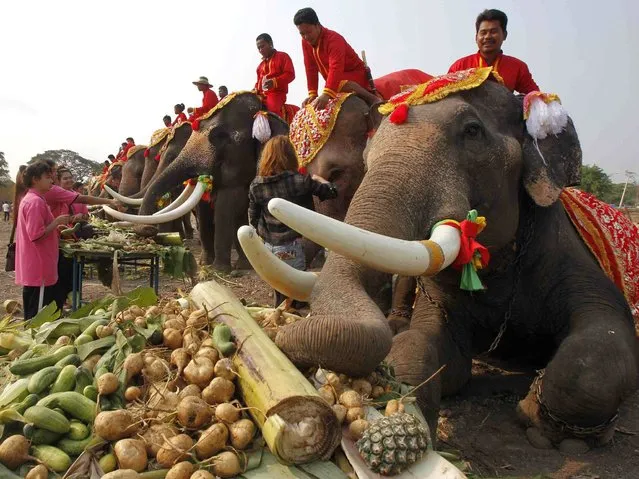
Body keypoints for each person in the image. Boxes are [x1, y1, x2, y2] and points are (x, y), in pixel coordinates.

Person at [248, 135, 338, 306]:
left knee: (280, 289)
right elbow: (332, 192)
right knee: (299, 296)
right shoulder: (300, 181)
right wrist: (319, 179)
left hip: (269, 246)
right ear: (290, 156)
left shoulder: (256, 185)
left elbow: (253, 218)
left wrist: (268, 236)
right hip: (297, 244)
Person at [15, 162, 70, 320]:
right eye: (47, 177)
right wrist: (56, 222)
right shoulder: (35, 202)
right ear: (35, 179)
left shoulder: (33, 199)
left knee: (34, 310)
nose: (51, 181)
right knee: (37, 317)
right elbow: (36, 235)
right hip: (39, 267)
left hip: (37, 265)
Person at [293, 7, 379, 110]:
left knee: (338, 84)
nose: (306, 37)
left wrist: (327, 92)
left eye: (309, 32)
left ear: (317, 25)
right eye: (302, 34)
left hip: (354, 75)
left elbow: (336, 67)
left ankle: (374, 99)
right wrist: (313, 94)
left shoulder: (334, 39)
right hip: (335, 81)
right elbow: (310, 68)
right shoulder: (305, 42)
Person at [448, 9, 539, 94]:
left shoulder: (518, 67)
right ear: (476, 37)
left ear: (504, 35)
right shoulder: (459, 66)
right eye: (483, 32)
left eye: (493, 31)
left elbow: (535, 97)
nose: (487, 37)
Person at [255, 33, 296, 116]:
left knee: (271, 110)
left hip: (277, 94)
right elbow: (258, 84)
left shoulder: (283, 56)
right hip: (261, 96)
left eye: (262, 46)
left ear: (270, 44)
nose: (260, 50)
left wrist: (274, 82)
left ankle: (280, 129)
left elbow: (290, 74)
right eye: (258, 48)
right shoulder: (260, 67)